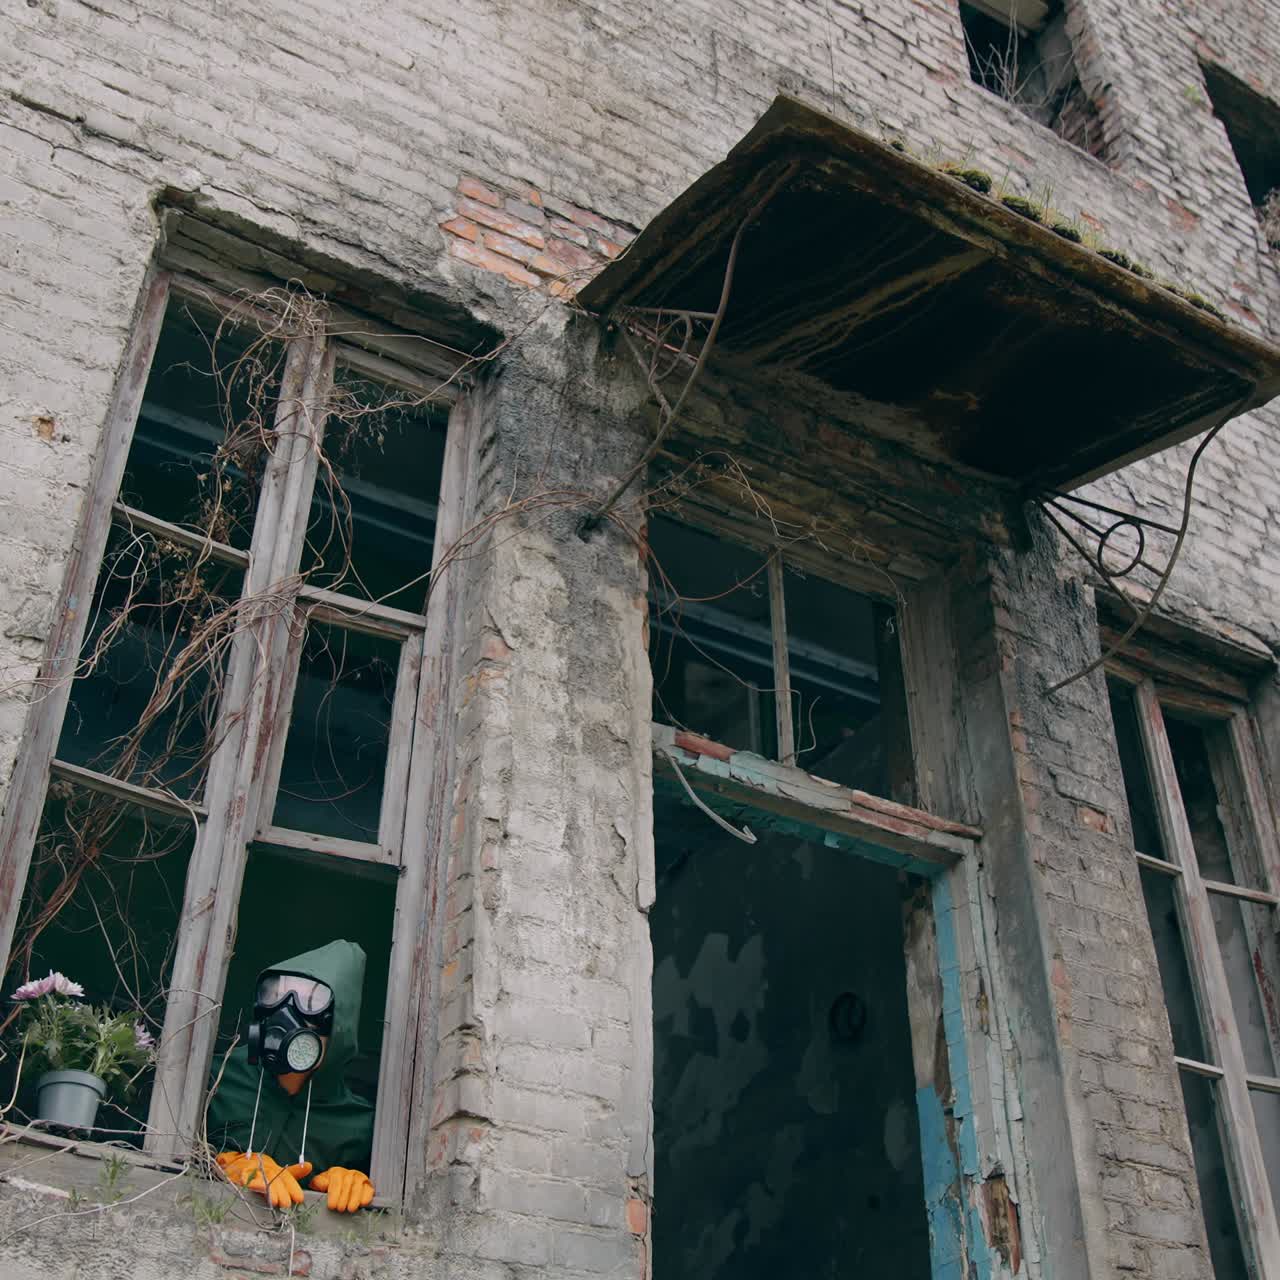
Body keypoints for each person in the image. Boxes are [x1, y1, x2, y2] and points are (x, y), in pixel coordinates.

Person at [206, 939, 376, 1213]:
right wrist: (223, 1163)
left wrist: (353, 1178)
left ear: (338, 1032)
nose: (285, 1015)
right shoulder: (215, 1080)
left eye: (310, 1001)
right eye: (274, 995)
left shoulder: (360, 1124)